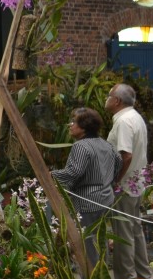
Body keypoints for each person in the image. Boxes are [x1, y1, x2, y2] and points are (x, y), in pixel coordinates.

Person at [51, 107, 121, 268]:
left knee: (88, 244)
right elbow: (118, 162)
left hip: (87, 201)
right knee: (100, 240)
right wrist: (109, 180)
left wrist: (50, 176)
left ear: (84, 126)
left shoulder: (80, 146)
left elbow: (74, 172)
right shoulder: (105, 144)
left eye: (74, 122)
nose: (70, 125)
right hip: (106, 198)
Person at [105, 83, 153, 279]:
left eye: (109, 96)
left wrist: (115, 180)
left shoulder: (124, 121)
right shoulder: (136, 117)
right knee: (135, 229)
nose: (106, 99)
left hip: (125, 185)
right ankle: (143, 275)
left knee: (123, 232)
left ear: (116, 101)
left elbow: (126, 154)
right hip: (137, 181)